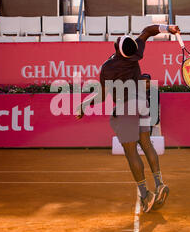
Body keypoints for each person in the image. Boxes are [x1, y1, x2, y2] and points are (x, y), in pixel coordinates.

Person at [76, 24, 180, 213]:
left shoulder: (108, 68)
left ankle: (145, 194)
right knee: (146, 144)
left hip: (126, 107)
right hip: (142, 103)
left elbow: (101, 96)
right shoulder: (136, 53)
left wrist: (84, 105)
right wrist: (169, 28)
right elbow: (148, 30)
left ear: (117, 49)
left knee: (131, 152)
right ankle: (159, 183)